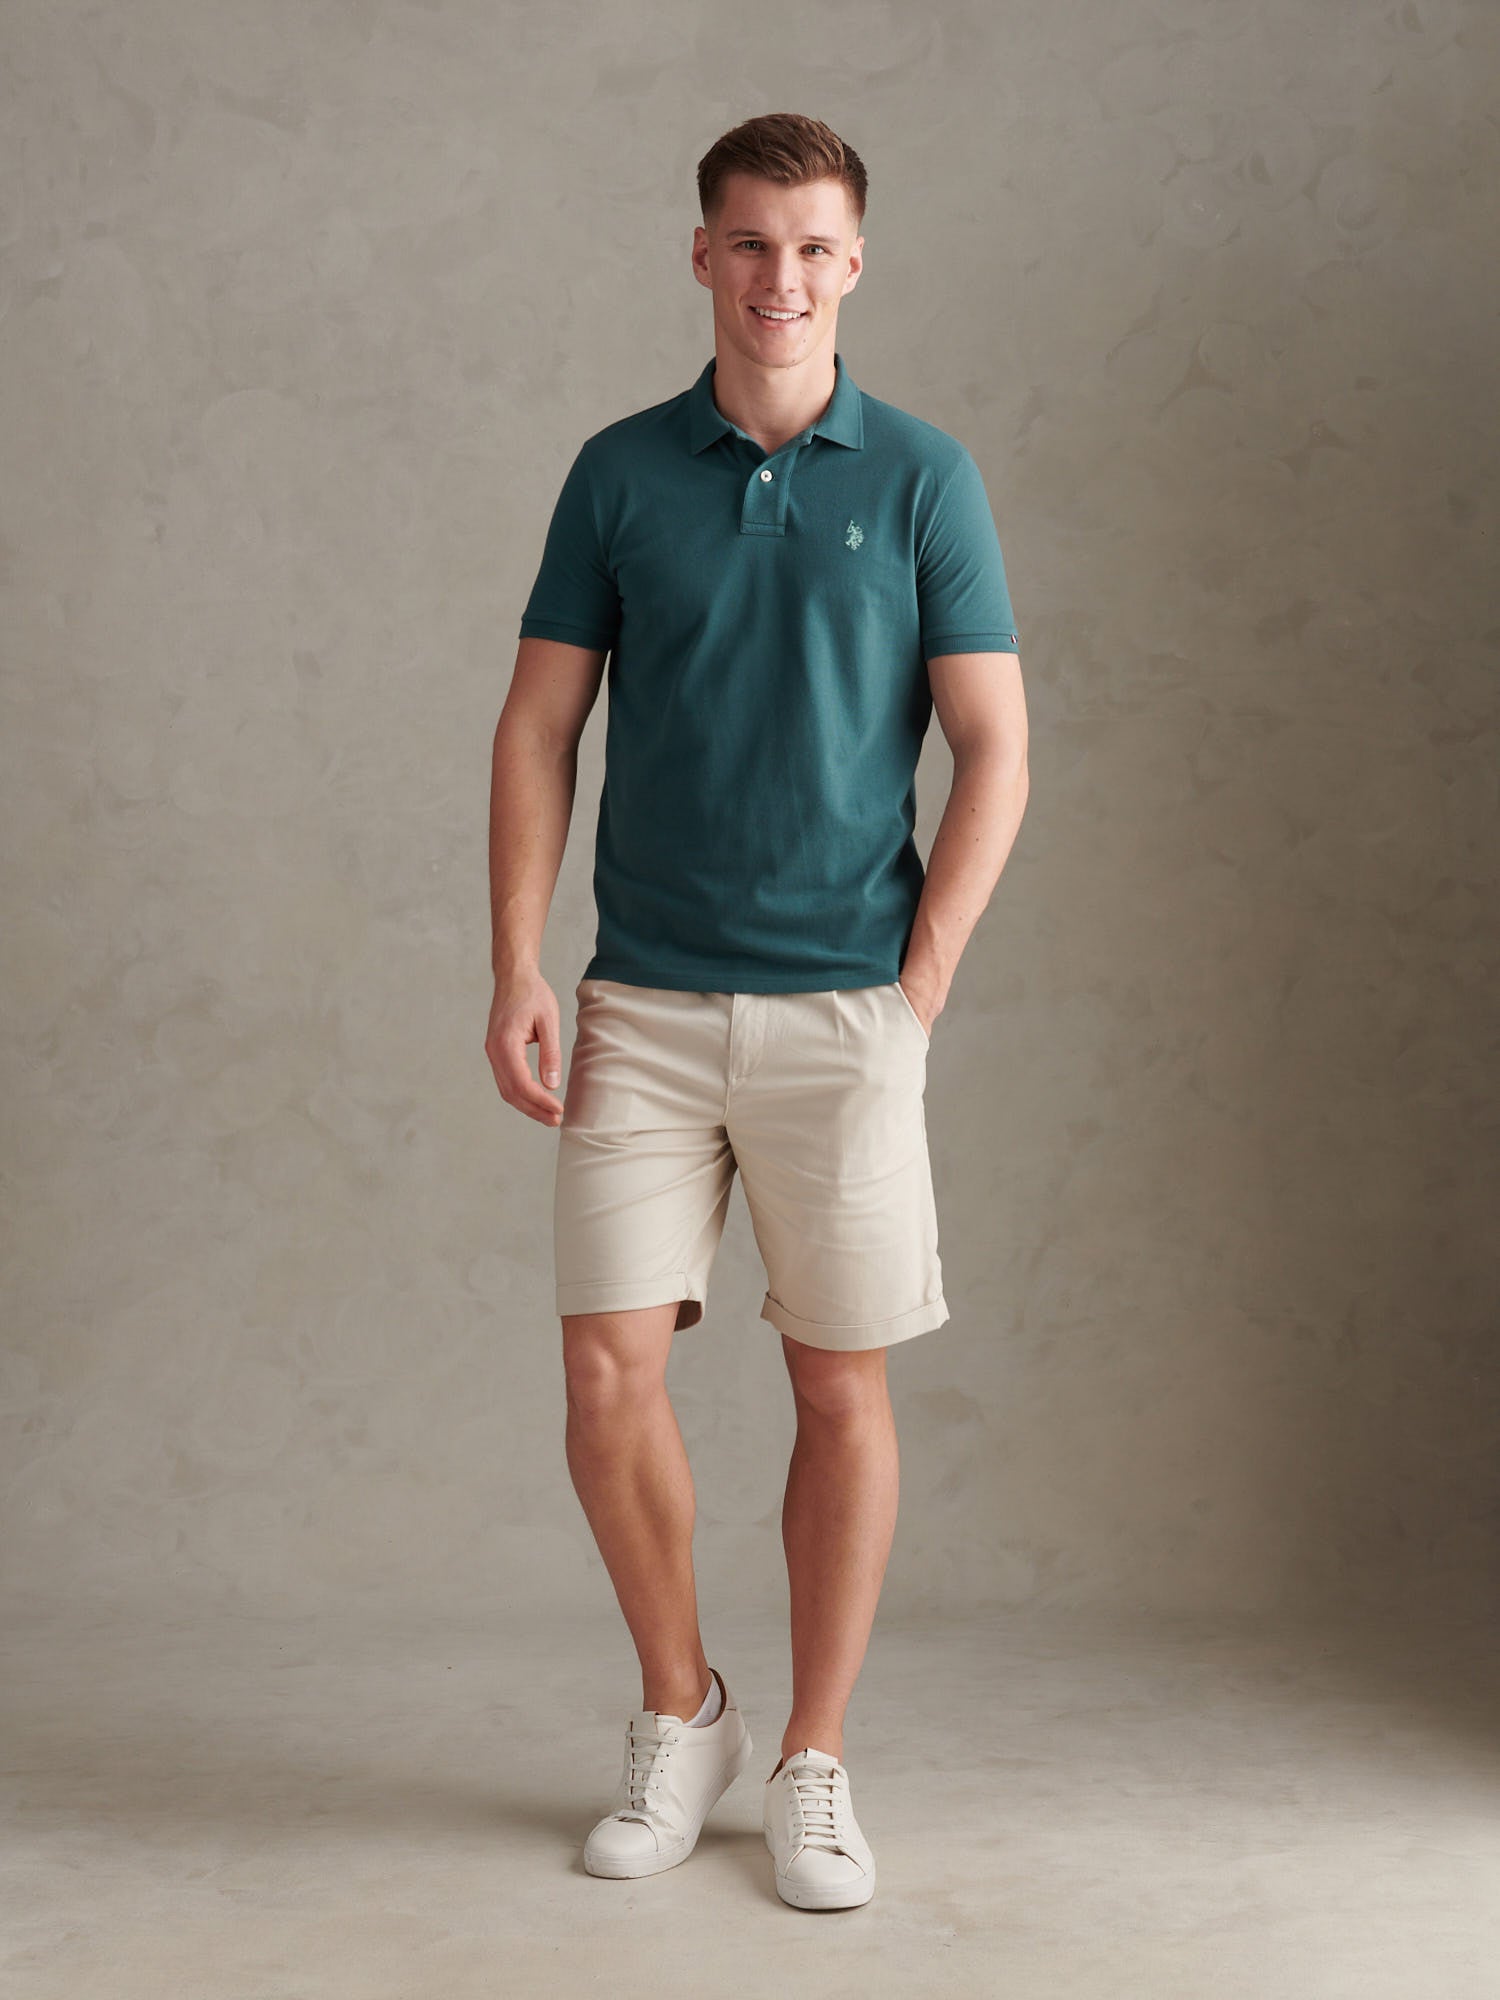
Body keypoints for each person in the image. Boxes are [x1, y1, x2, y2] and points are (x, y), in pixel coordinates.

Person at [485, 111, 1028, 1910]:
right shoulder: (618, 474)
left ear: (853, 263)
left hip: (846, 1015)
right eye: (747, 243)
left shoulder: (926, 478)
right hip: (640, 1004)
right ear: (701, 256)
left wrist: (920, 985)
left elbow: (996, 747)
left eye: (810, 247)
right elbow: (539, 727)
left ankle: (815, 1757)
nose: (778, 277)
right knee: (603, 1374)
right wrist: (515, 961)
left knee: (837, 1388)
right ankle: (683, 1710)